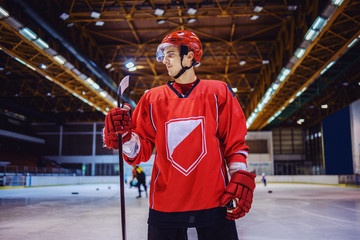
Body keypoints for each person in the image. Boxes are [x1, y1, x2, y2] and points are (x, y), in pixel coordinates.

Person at [103, 30, 256, 240]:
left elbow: (234, 143)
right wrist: (125, 136)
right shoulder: (151, 98)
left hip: (214, 198)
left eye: (171, 54)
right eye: (163, 55)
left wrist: (238, 174)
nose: (164, 60)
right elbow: (140, 152)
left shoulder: (219, 92)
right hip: (166, 201)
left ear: (190, 56)